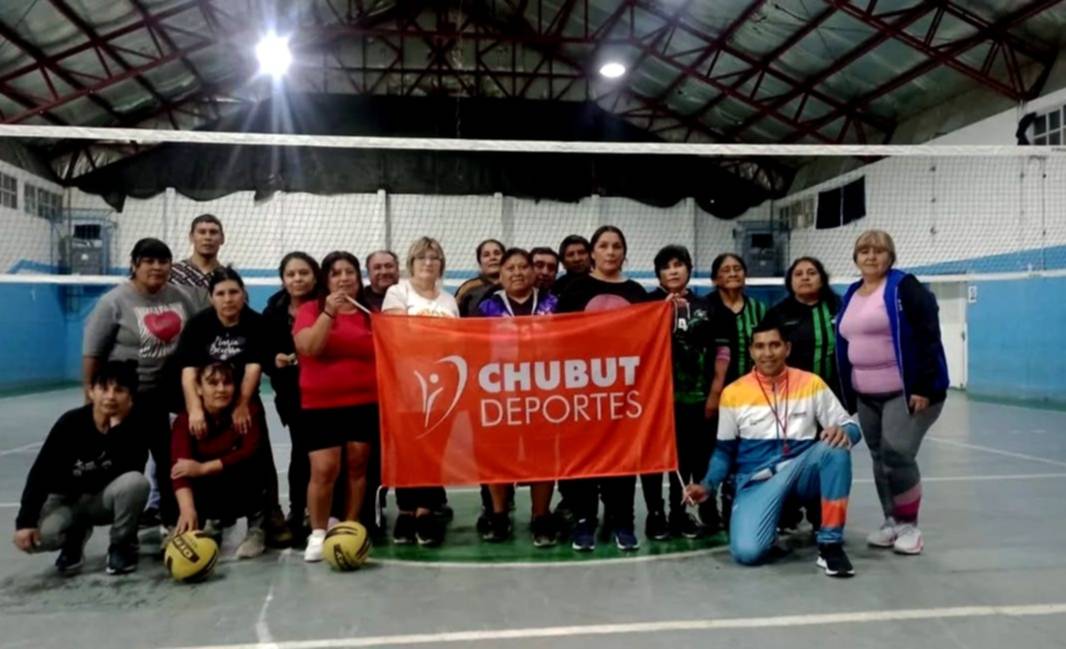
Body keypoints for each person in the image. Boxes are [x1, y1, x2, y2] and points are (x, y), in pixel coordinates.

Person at [684, 321, 860, 577]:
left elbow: (851, 426)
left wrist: (844, 432)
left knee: (835, 449)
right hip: (757, 482)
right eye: (760, 347)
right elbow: (724, 451)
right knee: (748, 554)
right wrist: (707, 485)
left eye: (774, 345)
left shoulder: (811, 383)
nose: (767, 353)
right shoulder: (733, 393)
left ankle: (830, 544)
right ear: (751, 351)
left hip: (800, 473)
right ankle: (773, 518)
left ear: (787, 348)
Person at [836, 229, 949, 556]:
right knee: (879, 456)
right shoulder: (852, 292)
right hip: (866, 394)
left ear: (891, 256)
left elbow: (929, 336)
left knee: (898, 452)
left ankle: (910, 526)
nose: (871, 256)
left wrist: (923, 386)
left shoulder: (905, 287)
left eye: (879, 251)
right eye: (864, 251)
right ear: (856, 257)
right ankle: (891, 521)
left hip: (905, 391)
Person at [82, 238, 203, 534]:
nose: (157, 267)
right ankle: (125, 532)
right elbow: (93, 354)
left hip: (167, 396)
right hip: (128, 399)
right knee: (128, 465)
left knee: (170, 460)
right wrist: (91, 398)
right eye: (149, 261)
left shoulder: (180, 297)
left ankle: (172, 523)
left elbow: (195, 337)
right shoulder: (113, 302)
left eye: (163, 261)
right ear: (135, 265)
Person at [174, 266, 289, 547]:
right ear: (211, 297)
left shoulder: (255, 323)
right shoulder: (199, 324)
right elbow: (188, 370)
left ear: (243, 294)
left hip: (242, 399)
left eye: (234, 292)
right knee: (198, 455)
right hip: (208, 400)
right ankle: (212, 517)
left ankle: (268, 515)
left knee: (259, 457)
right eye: (221, 293)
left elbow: (253, 367)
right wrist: (195, 409)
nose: (228, 299)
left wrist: (242, 405)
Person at [557, 225, 647, 552]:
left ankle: (623, 520)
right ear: (593, 252)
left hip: (624, 393)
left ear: (624, 252)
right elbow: (559, 338)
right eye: (604, 246)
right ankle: (584, 520)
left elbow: (646, 339)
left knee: (622, 456)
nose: (610, 252)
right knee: (584, 455)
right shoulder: (574, 290)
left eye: (616, 246)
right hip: (583, 391)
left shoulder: (637, 293)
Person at [13, 361, 150, 576]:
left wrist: (116, 431)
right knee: (36, 539)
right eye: (103, 388)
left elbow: (131, 471)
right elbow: (40, 475)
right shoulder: (70, 423)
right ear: (91, 392)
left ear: (131, 398)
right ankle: (74, 538)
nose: (110, 396)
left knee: (136, 484)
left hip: (100, 501)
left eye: (119, 390)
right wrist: (25, 522)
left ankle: (121, 544)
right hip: (66, 501)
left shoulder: (135, 428)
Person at [294, 251, 378, 562]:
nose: (344, 278)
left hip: (364, 402)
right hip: (321, 404)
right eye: (336, 273)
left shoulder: (370, 314)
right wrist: (329, 313)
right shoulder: (310, 310)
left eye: (349, 272)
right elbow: (309, 347)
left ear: (358, 277)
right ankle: (317, 533)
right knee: (324, 469)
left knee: (357, 467)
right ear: (326, 280)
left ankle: (349, 527)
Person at [477, 248, 559, 547]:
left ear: (533, 271)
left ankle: (541, 516)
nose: (517, 272)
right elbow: (474, 350)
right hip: (500, 395)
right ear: (500, 275)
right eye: (510, 268)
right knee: (497, 454)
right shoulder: (486, 307)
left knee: (542, 455)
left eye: (523, 266)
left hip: (543, 394)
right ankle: (499, 515)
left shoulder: (553, 304)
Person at [644, 245, 728, 539]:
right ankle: (666, 515)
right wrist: (660, 313)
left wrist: (715, 391)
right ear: (658, 274)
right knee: (666, 460)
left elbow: (722, 350)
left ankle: (694, 510)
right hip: (660, 400)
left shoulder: (707, 306)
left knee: (696, 458)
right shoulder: (648, 305)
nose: (673, 271)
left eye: (678, 265)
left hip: (699, 398)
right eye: (666, 267)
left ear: (689, 270)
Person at [383, 237, 460, 546]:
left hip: (443, 388)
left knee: (433, 451)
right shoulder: (397, 292)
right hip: (405, 387)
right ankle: (406, 510)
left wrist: (429, 335)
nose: (429, 262)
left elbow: (457, 342)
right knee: (406, 450)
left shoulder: (449, 301)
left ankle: (426, 510)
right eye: (422, 257)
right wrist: (436, 336)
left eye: (434, 257)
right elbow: (396, 333)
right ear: (411, 263)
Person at [766, 256, 841, 532]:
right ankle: (787, 512)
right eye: (799, 274)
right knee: (789, 458)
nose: (805, 277)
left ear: (822, 277)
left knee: (826, 457)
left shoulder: (839, 307)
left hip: (831, 400)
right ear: (790, 280)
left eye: (811, 272)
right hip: (790, 400)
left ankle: (821, 515)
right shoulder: (778, 313)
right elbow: (765, 353)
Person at [171, 362, 269, 559]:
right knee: (181, 476)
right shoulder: (185, 420)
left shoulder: (248, 411)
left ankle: (257, 527)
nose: (221, 389)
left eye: (227, 383)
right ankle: (208, 522)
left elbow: (249, 452)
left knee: (253, 464)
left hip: (240, 484)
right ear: (198, 388)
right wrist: (187, 509)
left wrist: (204, 468)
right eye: (213, 383)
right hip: (210, 489)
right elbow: (179, 467)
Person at [262, 252, 322, 542]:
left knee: (325, 455)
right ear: (283, 279)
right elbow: (262, 352)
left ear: (315, 276)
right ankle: (298, 510)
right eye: (291, 274)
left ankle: (322, 511)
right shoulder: (273, 311)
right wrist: (273, 360)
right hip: (291, 395)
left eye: (304, 273)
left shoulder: (326, 306)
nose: (298, 279)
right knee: (302, 451)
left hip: (326, 393)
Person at [705, 252, 767, 530]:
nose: (732, 273)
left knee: (744, 455)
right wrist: (713, 393)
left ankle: (735, 510)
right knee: (713, 453)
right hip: (714, 396)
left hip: (752, 397)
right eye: (726, 269)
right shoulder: (706, 308)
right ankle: (708, 510)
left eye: (737, 268)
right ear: (715, 278)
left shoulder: (759, 310)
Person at [170, 214, 225, 288]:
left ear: (222, 238)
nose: (207, 237)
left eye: (213, 232)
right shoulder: (174, 272)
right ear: (191, 237)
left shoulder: (227, 277)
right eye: (202, 232)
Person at [455, 238, 505, 316]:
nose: (492, 258)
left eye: (497, 253)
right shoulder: (468, 288)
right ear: (480, 262)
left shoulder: (515, 286)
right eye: (486, 255)